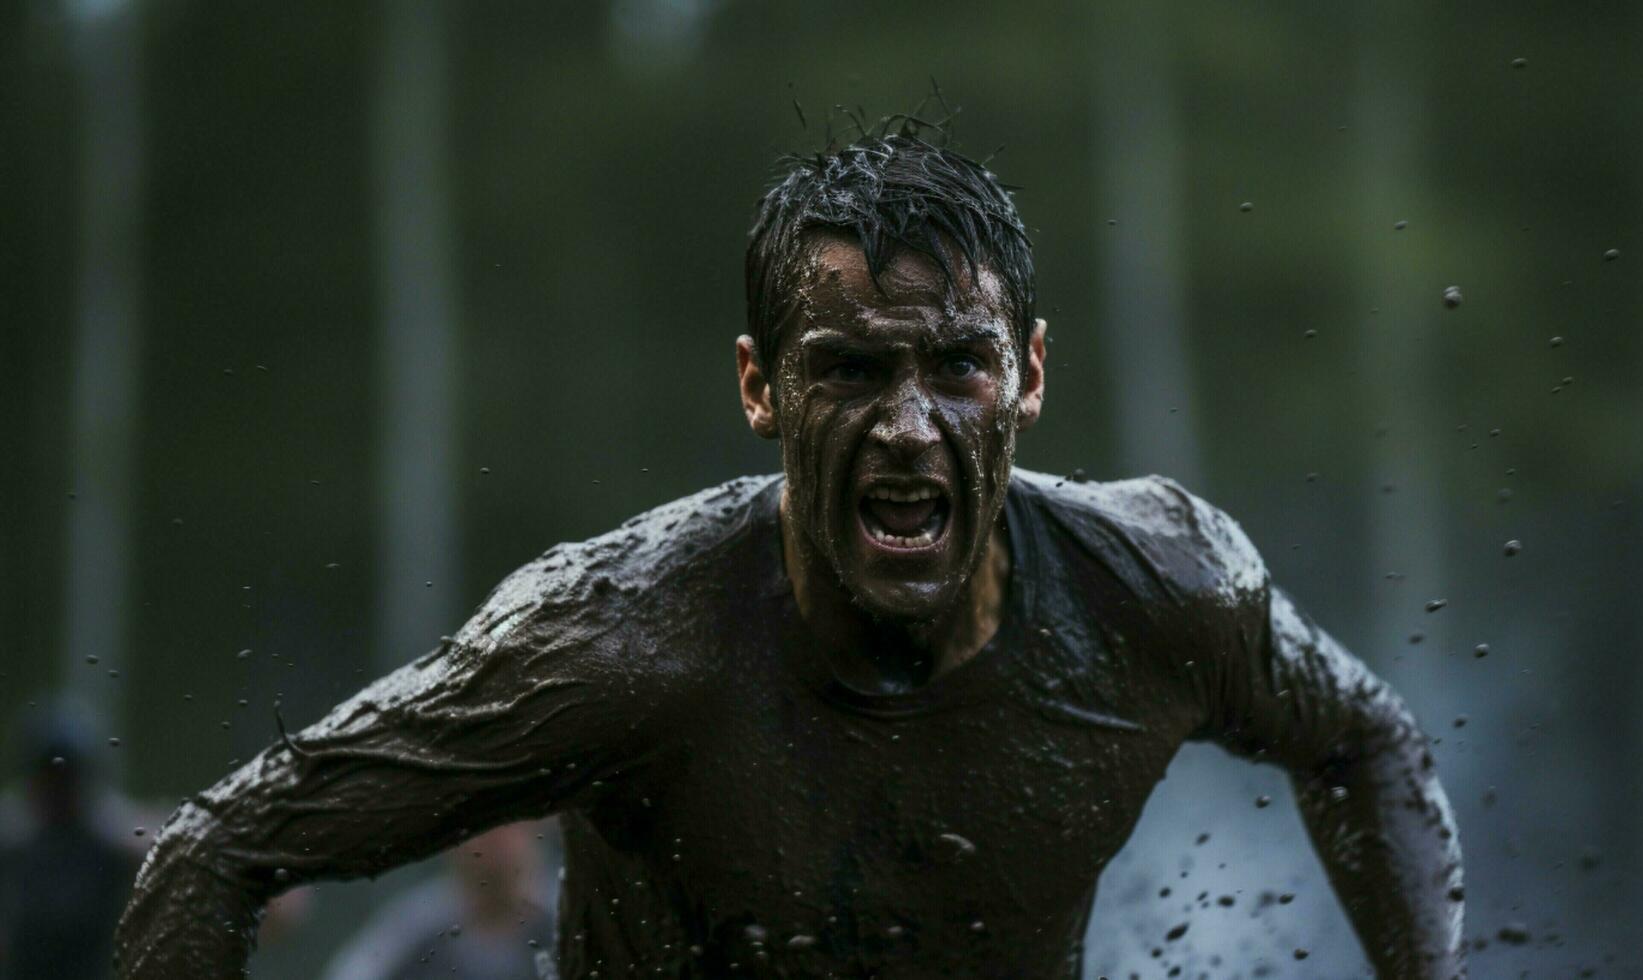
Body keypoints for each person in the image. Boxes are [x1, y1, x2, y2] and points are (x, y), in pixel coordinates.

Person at [115, 132, 1465, 978]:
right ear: (761, 387)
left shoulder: (1158, 586)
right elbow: (218, 850)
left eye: (957, 369)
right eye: (850, 370)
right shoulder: (620, 638)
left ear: (1032, 373)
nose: (908, 427)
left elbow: (1368, 744)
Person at [0, 701, 148, 980]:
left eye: (65, 780)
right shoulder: (14, 840)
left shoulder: (112, 841)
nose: (58, 791)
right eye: (50, 779)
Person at [320, 821, 557, 980]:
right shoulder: (413, 931)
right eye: (477, 826)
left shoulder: (570, 918)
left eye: (505, 824)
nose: (492, 840)